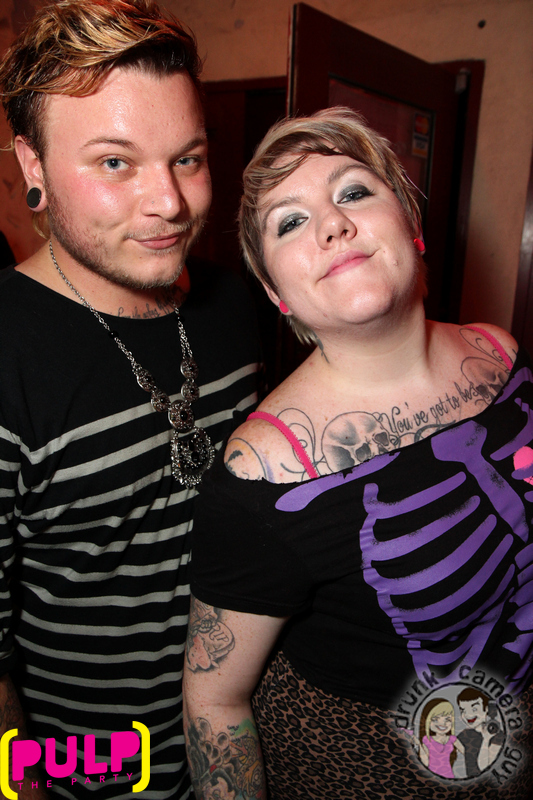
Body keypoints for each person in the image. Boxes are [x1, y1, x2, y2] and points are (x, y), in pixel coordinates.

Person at [183, 107, 533, 799]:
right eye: (289, 222)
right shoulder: (262, 474)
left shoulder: (501, 352)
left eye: (353, 191)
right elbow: (214, 702)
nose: (332, 224)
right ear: (275, 293)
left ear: (410, 223)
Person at [0, 1, 259, 798]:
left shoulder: (235, 305)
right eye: (115, 162)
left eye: (187, 158)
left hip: (249, 753)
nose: (169, 203)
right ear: (32, 165)